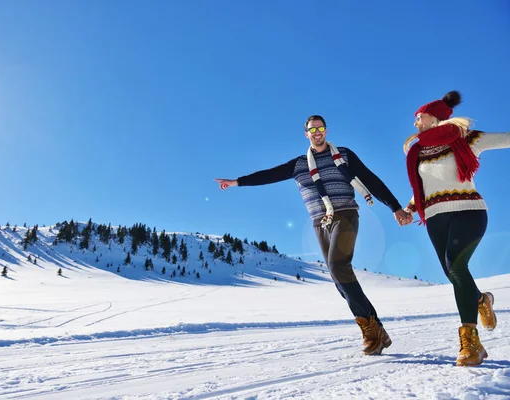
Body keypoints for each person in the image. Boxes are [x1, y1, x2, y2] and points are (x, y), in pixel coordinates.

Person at [215, 115, 410, 356]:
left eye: (320, 128)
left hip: (346, 215)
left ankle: (372, 331)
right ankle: (375, 329)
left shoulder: (345, 155)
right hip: (320, 222)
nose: (317, 132)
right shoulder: (299, 165)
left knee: (339, 266)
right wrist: (236, 182)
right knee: (338, 276)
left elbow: (370, 179)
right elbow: (268, 175)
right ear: (306, 134)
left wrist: (395, 207)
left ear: (326, 131)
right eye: (312, 129)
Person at [401, 90, 506, 366]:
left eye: (419, 117)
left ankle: (471, 344)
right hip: (435, 217)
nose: (416, 123)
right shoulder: (418, 152)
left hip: (469, 212)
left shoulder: (466, 139)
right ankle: (481, 300)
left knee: (456, 266)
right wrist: (410, 209)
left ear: (434, 117)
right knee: (452, 272)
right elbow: (423, 187)